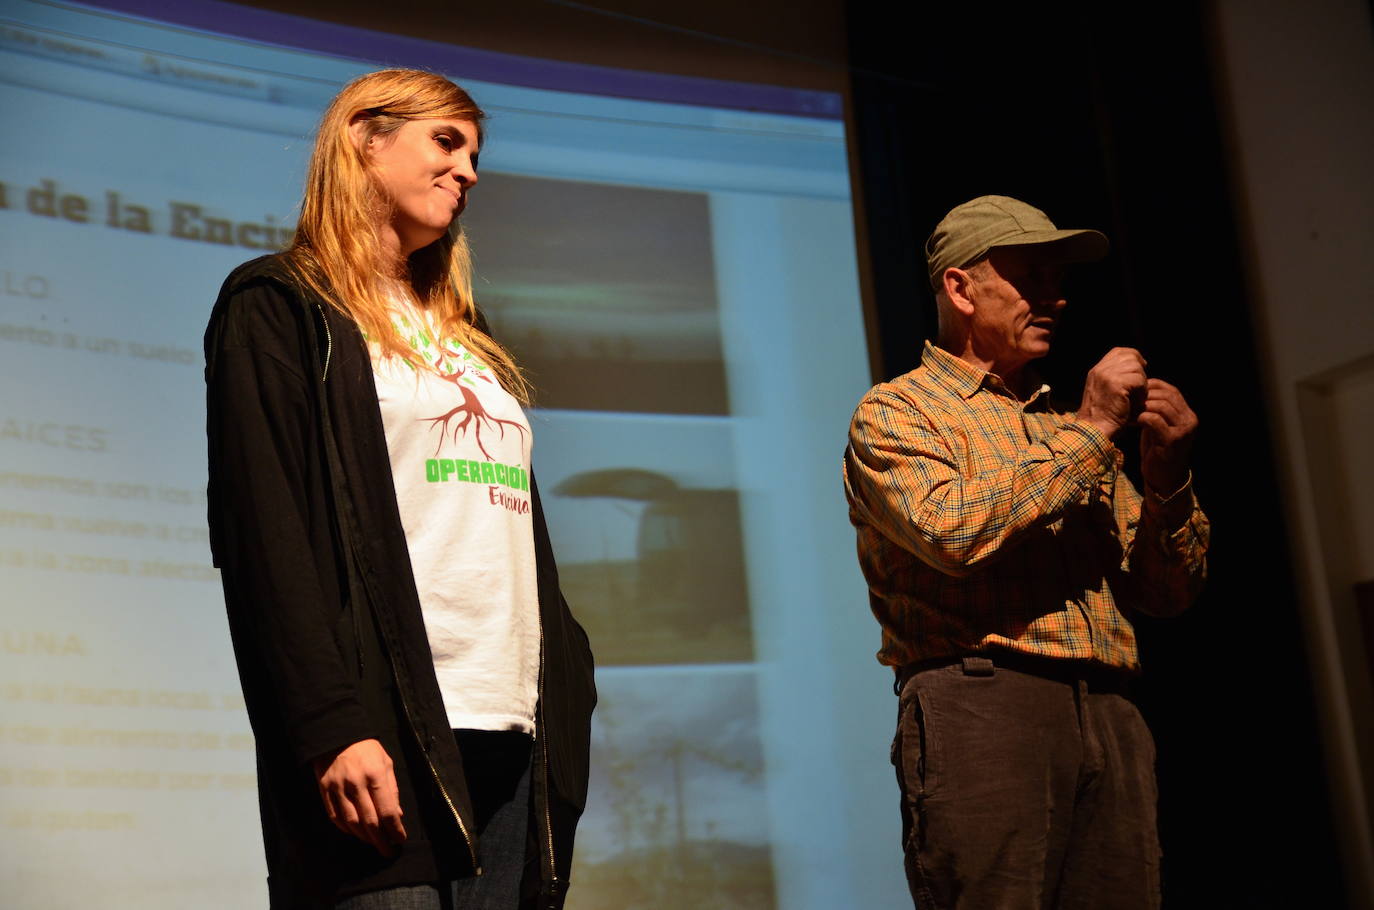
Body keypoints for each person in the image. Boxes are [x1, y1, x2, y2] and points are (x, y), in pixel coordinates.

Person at [204, 69, 596, 910]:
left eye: (476, 153)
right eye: (446, 142)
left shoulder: (467, 333)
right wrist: (330, 726)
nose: (470, 172)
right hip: (384, 724)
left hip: (511, 722)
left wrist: (570, 681)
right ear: (363, 140)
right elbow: (266, 537)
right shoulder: (279, 305)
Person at [842, 195, 1209, 909]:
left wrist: (1168, 483)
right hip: (983, 703)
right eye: (1030, 278)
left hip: (1108, 709)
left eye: (1056, 278)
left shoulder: (1063, 429)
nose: (1055, 296)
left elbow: (1167, 593)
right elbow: (953, 531)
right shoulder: (898, 411)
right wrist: (1095, 426)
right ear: (960, 288)